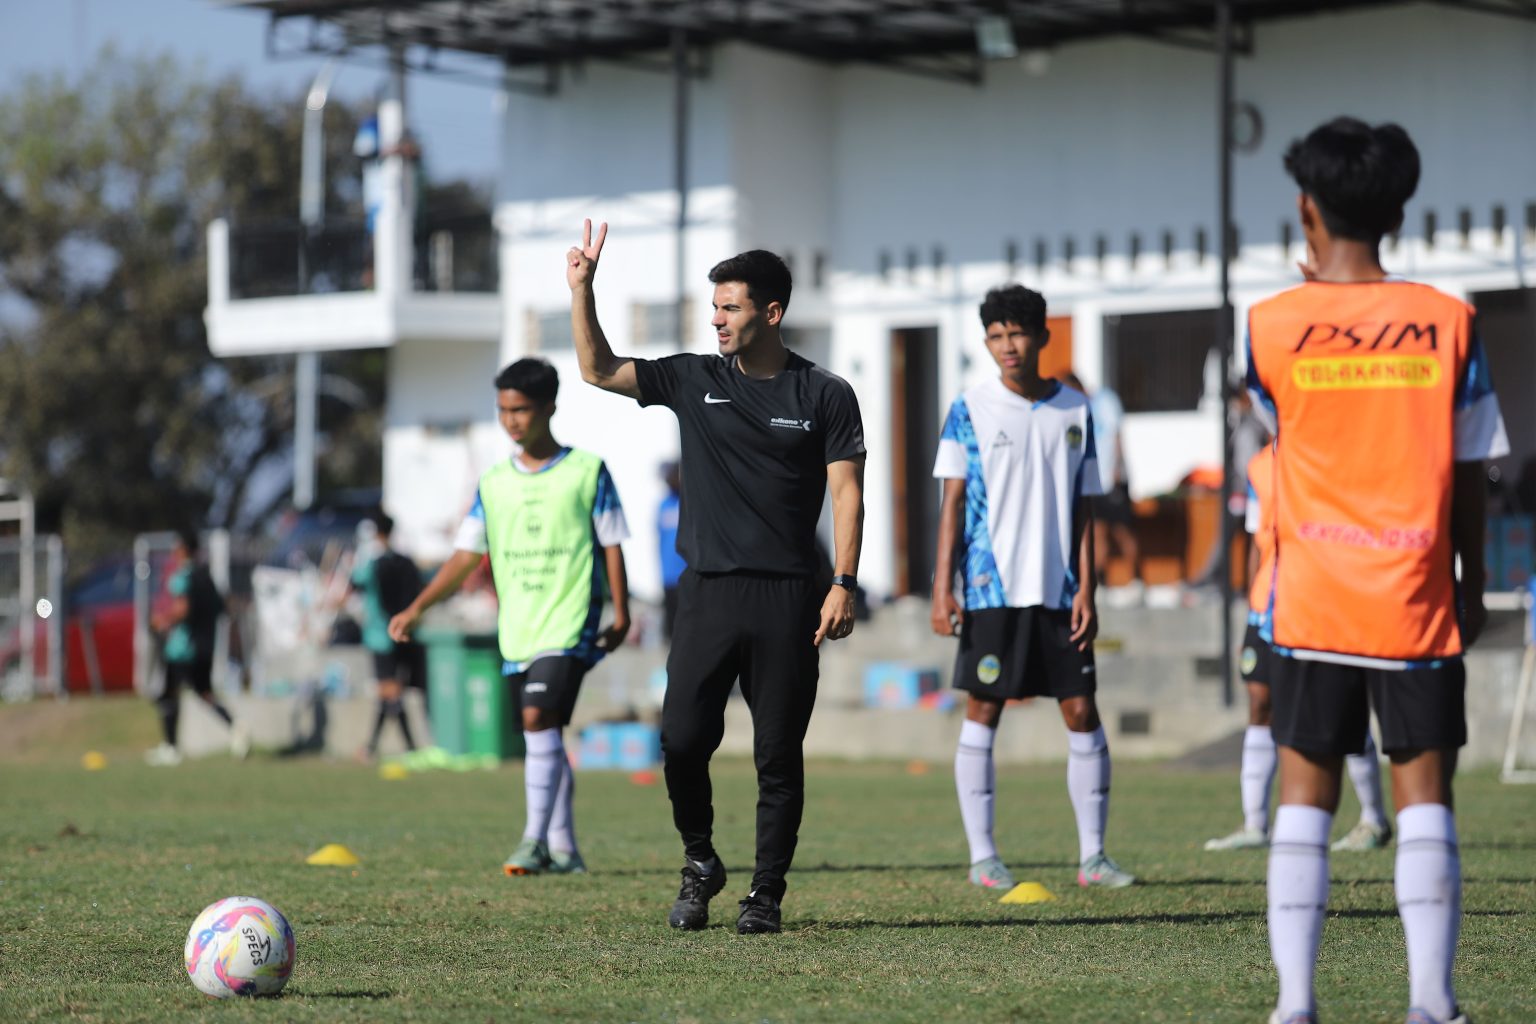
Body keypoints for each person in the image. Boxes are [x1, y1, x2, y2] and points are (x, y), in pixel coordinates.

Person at [1248, 118, 1508, 1024]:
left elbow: (1275, 441)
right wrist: (1468, 584)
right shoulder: (1451, 322)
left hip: (1311, 594)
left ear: (1305, 210)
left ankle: (1294, 1006)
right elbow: (1472, 469)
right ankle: (1432, 1006)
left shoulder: (1270, 327)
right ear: (1397, 209)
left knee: (1305, 798)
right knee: (1424, 796)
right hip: (1417, 596)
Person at [566, 220, 866, 935]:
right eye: (715, 307)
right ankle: (700, 861)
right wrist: (583, 289)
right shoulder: (693, 376)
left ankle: (765, 895)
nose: (717, 319)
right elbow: (598, 369)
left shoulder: (825, 394)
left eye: (730, 307)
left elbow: (849, 491)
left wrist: (844, 582)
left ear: (771, 312)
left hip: (791, 596)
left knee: (776, 755)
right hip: (705, 592)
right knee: (681, 739)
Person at [388, 357, 631, 877]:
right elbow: (464, 557)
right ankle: (565, 848)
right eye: (503, 411)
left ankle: (533, 841)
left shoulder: (587, 470)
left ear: (548, 408)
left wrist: (622, 609)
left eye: (520, 410)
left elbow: (612, 542)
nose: (511, 421)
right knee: (545, 732)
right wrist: (417, 607)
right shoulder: (494, 483)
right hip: (519, 628)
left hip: (571, 622)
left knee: (536, 719)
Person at [930, 284, 1135, 892]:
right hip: (992, 590)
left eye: (1017, 333)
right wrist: (944, 586)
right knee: (983, 708)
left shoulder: (1076, 409)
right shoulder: (969, 408)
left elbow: (1084, 507)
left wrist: (1089, 589)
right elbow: (953, 502)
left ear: (1042, 336)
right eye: (995, 336)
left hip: (1060, 589)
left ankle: (1094, 857)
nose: (1007, 346)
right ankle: (982, 857)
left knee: (1081, 710)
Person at [1204, 444, 1392, 852]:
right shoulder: (1258, 466)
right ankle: (1255, 823)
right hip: (1268, 606)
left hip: (1323, 601)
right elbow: (1259, 539)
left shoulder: (1332, 452)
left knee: (1342, 706)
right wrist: (1252, 604)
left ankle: (1374, 819)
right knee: (1259, 701)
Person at [146, 528, 243, 765]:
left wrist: (163, 620)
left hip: (182, 648)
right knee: (205, 693)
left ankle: (171, 748)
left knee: (167, 695)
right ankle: (237, 731)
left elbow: (183, 608)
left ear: (182, 549)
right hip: (205, 646)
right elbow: (223, 608)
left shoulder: (184, 576)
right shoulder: (207, 576)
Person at [346, 511, 426, 761]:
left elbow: (354, 584)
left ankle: (409, 748)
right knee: (389, 693)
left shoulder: (372, 562)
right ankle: (373, 746)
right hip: (405, 633)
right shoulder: (406, 561)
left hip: (380, 635)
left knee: (389, 692)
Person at [1063, 372, 1141, 600]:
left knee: (1123, 531)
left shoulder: (1105, 400)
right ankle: (1100, 582)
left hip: (1112, 478)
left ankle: (1137, 580)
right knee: (1097, 532)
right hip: (1093, 482)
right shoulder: (1074, 411)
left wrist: (1117, 468)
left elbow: (1116, 435)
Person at [656, 461, 686, 640]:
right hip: (668, 576)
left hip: (686, 574)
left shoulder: (687, 504)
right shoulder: (663, 506)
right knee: (670, 628)